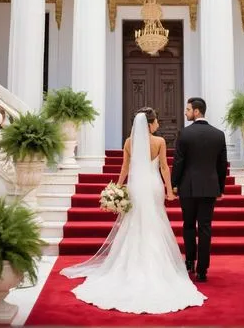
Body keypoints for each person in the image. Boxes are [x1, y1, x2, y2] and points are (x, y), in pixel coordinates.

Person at [61, 107, 206, 314]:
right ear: (149, 123)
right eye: (156, 121)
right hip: (153, 185)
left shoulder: (129, 142)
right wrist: (169, 191)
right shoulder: (159, 142)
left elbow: (125, 168)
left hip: (136, 187)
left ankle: (130, 265)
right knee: (155, 221)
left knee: (134, 222)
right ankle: (157, 267)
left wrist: (117, 188)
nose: (158, 124)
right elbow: (164, 167)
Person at [171, 97, 228, 282]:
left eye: (188, 109)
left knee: (188, 225)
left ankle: (189, 262)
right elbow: (222, 165)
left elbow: (178, 162)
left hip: (187, 187)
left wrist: (174, 184)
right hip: (210, 187)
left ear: (196, 111)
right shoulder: (218, 135)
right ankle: (203, 270)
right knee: (205, 227)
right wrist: (220, 188)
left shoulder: (184, 134)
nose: (185, 113)